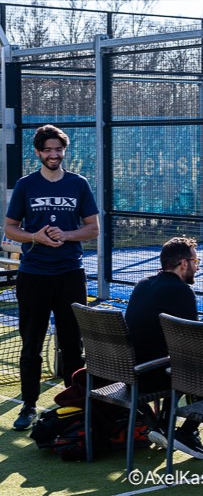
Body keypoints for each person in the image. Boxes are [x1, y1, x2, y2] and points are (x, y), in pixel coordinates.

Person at [5, 124, 99, 431]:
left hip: (70, 275)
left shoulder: (79, 184)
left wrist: (66, 235)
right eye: (47, 150)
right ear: (38, 152)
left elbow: (93, 228)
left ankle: (74, 405)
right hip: (33, 275)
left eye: (58, 149)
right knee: (31, 343)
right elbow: (10, 228)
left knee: (72, 343)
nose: (53, 155)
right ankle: (29, 404)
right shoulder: (26, 185)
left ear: (64, 151)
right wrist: (36, 237)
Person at [124, 236, 203, 459]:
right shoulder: (182, 291)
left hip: (127, 372)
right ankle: (187, 433)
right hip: (153, 375)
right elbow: (191, 344)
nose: (197, 267)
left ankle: (162, 425)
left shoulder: (143, 284)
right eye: (195, 261)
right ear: (183, 263)